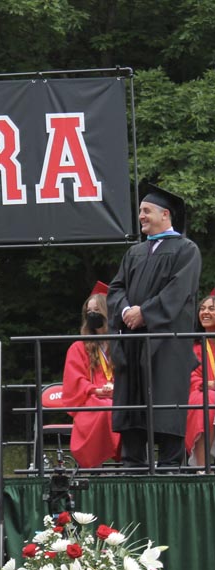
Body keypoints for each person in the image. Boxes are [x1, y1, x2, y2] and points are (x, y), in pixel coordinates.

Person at [107, 184, 201, 469]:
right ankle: (132, 466)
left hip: (166, 344)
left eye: (146, 211)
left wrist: (144, 313)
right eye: (140, 212)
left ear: (166, 215)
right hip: (133, 342)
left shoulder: (186, 250)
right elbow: (115, 288)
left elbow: (178, 291)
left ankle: (172, 467)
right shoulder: (135, 252)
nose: (141, 217)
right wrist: (125, 310)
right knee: (132, 409)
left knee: (167, 405)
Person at [60, 283, 121, 468]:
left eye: (97, 309)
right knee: (103, 408)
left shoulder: (122, 344)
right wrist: (95, 389)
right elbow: (75, 380)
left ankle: (127, 463)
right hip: (91, 399)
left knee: (123, 409)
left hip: (120, 397)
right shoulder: (79, 347)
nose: (92, 314)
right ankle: (96, 465)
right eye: (89, 311)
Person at [185, 290, 215, 468]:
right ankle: (204, 469)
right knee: (208, 401)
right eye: (202, 308)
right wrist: (207, 384)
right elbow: (189, 377)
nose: (205, 312)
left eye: (212, 309)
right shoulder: (192, 345)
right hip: (198, 393)